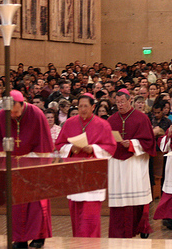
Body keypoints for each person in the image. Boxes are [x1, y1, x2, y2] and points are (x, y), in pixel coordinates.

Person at [0, 90, 53, 249]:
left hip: (34, 166)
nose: (13, 115)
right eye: (10, 112)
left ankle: (39, 237)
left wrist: (28, 160)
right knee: (16, 205)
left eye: (16, 111)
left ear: (22, 104)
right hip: (13, 167)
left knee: (36, 205)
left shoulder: (37, 114)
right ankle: (19, 239)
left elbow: (44, 146)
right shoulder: (2, 116)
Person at [55, 94, 117, 237]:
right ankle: (77, 244)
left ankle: (89, 245)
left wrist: (93, 149)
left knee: (90, 218)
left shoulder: (102, 124)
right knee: (76, 215)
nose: (82, 109)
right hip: (75, 173)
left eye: (86, 106)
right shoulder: (70, 123)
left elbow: (110, 148)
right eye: (80, 106)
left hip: (93, 175)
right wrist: (72, 149)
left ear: (93, 107)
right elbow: (59, 144)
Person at [107, 89, 156, 238]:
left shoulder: (141, 118)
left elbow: (149, 142)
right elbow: (105, 140)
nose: (120, 105)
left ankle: (140, 227)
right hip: (116, 163)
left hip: (135, 162)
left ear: (130, 101)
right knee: (119, 199)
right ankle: (118, 231)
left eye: (122, 102)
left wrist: (132, 144)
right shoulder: (111, 120)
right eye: (117, 102)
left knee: (137, 198)